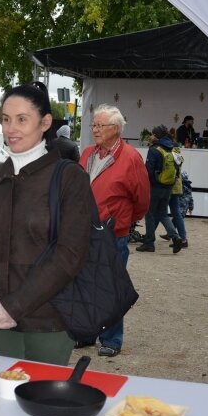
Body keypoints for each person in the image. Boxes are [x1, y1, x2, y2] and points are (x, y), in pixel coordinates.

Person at [0, 82, 92, 416]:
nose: (11, 128)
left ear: (45, 123)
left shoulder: (68, 178)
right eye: (5, 119)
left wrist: (14, 307)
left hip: (48, 323)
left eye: (22, 119)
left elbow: (69, 256)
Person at [77, 104, 150, 357]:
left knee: (110, 287)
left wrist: (125, 221)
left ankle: (111, 339)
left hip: (112, 235)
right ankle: (86, 332)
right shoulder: (87, 154)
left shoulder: (130, 158)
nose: (95, 129)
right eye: (94, 125)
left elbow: (142, 199)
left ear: (115, 129)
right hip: (84, 232)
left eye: (100, 125)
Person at [136, 125, 184, 254]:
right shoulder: (172, 147)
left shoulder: (154, 149)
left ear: (156, 136)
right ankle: (176, 237)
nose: (151, 136)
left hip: (155, 187)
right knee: (162, 213)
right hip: (168, 186)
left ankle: (149, 243)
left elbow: (148, 172)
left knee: (150, 214)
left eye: (152, 134)